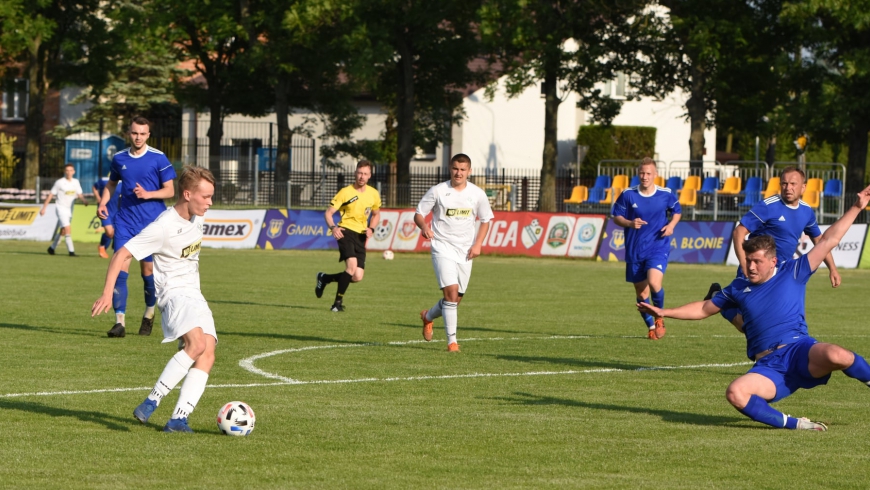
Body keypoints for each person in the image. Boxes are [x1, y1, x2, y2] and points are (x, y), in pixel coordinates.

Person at [638, 183, 870, 431]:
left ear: (773, 261)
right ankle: (797, 425)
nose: (750, 267)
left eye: (756, 262)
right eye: (747, 261)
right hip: (769, 366)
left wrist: (857, 207)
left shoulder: (793, 271)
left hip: (800, 350)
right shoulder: (738, 286)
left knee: (839, 355)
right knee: (735, 393)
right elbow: (704, 308)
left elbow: (829, 239)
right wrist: (665, 312)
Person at [91, 166, 217, 433]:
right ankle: (152, 401)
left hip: (194, 293)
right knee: (196, 344)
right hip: (173, 294)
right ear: (186, 194)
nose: (210, 203)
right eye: (205, 197)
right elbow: (122, 254)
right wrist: (106, 292)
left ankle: (178, 419)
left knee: (208, 351)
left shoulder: (197, 217)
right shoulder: (162, 227)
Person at [705, 166, 839, 334]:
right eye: (784, 183)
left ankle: (793, 350)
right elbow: (739, 232)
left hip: (783, 271)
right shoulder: (769, 206)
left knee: (790, 316)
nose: (788, 188)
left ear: (803, 187)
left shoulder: (806, 211)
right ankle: (719, 300)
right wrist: (745, 264)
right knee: (749, 325)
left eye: (793, 184)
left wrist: (832, 268)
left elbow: (821, 241)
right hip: (759, 268)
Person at [98, 117, 176, 338]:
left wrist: (148, 194)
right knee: (120, 267)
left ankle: (149, 314)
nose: (138, 137)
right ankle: (119, 322)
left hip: (152, 223)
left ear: (148, 135)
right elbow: (112, 184)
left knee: (148, 272)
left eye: (142, 133)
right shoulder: (119, 158)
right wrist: (104, 202)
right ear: (128, 133)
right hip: (125, 221)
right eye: (134, 133)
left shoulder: (158, 158)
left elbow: (170, 190)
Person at [414, 153, 493, 352]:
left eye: (463, 169)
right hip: (441, 247)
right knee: (450, 293)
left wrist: (478, 244)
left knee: (455, 300)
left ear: (469, 171)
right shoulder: (439, 191)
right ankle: (452, 342)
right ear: (450, 168)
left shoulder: (477, 194)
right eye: (455, 169)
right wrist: (424, 226)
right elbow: (418, 214)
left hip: (466, 251)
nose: (458, 173)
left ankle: (428, 316)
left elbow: (485, 220)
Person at [611, 158, 681, 340]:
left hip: (658, 246)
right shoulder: (628, 194)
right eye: (642, 173)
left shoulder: (666, 194)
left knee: (654, 283)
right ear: (638, 174)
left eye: (648, 173)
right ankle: (650, 326)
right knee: (642, 294)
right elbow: (616, 216)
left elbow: (677, 211)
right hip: (635, 250)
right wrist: (629, 222)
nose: (645, 176)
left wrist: (672, 225)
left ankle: (659, 316)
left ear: (655, 175)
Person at [314, 160, 381, 312]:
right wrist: (333, 227)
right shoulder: (345, 192)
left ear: (370, 176)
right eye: (359, 173)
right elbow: (328, 213)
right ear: (355, 173)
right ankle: (337, 304)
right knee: (351, 266)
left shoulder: (373, 194)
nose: (362, 176)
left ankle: (324, 278)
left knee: (357, 276)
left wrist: (372, 228)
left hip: (361, 235)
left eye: (365, 174)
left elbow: (376, 214)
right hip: (346, 232)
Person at [40, 163, 88, 256]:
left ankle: (52, 248)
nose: (69, 172)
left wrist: (84, 200)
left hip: (69, 209)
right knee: (67, 228)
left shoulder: (76, 182)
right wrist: (44, 208)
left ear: (74, 172)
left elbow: (79, 194)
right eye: (67, 170)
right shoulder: (60, 182)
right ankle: (71, 251)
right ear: (64, 171)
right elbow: (51, 195)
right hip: (60, 208)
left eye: (71, 170)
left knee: (63, 230)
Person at [92, 176, 122, 259]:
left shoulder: (123, 182)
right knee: (109, 232)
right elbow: (94, 187)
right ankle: (102, 247)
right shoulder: (104, 180)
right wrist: (98, 197)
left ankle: (106, 248)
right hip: (105, 211)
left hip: (117, 212)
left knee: (114, 233)